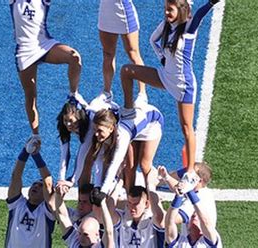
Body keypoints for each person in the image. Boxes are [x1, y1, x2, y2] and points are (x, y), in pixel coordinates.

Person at [119, 0, 221, 191]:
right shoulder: (167, 25)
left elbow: (199, 14)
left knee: (186, 127)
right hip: (165, 77)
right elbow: (152, 40)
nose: (166, 12)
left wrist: (211, 2)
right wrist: (162, 58)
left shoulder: (189, 28)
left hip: (184, 85)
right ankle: (128, 111)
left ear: (181, 10)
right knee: (127, 71)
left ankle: (190, 173)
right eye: (165, 8)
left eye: (170, 9)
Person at [9, 0, 84, 154]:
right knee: (30, 96)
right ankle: (35, 135)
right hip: (24, 51)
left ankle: (73, 94)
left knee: (74, 57)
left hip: (44, 45)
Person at [84, 103, 164, 197]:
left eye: (100, 131)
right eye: (95, 130)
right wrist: (97, 186)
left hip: (152, 122)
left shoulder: (123, 135)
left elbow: (115, 163)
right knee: (129, 166)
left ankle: (150, 199)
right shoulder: (106, 132)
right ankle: (130, 200)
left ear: (111, 129)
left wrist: (103, 191)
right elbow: (99, 158)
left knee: (144, 165)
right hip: (133, 128)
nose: (96, 134)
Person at [55, 97, 119, 192]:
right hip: (99, 128)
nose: (68, 124)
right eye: (65, 120)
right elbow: (65, 155)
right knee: (86, 164)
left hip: (114, 124)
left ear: (79, 117)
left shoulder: (90, 125)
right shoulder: (63, 126)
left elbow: (82, 154)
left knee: (107, 160)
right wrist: (61, 178)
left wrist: (72, 181)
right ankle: (84, 200)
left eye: (71, 121)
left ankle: (112, 189)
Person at [96, 0, 148, 106]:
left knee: (133, 54)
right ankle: (106, 92)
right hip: (106, 12)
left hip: (123, 11)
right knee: (108, 54)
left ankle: (142, 94)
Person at [4, 147, 55, 248]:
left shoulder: (47, 212)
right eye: (34, 184)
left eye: (40, 186)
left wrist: (36, 155)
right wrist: (26, 151)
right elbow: (16, 177)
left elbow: (48, 183)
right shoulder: (17, 205)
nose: (35, 186)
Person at [163, 166, 222, 248]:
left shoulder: (199, 198)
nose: (194, 215)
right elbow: (181, 188)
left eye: (191, 178)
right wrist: (167, 177)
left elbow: (171, 221)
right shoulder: (201, 194)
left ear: (199, 181)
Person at [108, 169, 166, 248]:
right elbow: (108, 211)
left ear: (146, 204)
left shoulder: (152, 222)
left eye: (136, 204)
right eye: (130, 203)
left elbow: (160, 217)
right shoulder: (122, 219)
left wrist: (150, 186)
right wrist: (120, 183)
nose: (132, 207)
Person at [53, 183, 115, 248]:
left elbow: (109, 232)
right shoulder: (75, 242)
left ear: (97, 234)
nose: (81, 238)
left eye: (86, 234)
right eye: (79, 233)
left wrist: (103, 203)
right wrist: (58, 195)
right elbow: (62, 216)